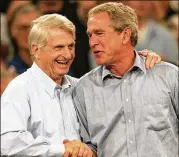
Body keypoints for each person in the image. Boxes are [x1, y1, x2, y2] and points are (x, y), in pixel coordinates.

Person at [1, 13, 161, 157]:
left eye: (70, 46)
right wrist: (63, 150)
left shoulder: (82, 87)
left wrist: (138, 59)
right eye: (59, 47)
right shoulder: (20, 89)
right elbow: (8, 143)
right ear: (36, 50)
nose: (67, 54)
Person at [72, 2, 178, 157]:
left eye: (99, 33)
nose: (93, 42)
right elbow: (90, 146)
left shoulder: (168, 76)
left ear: (125, 35)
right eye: (90, 35)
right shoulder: (83, 89)